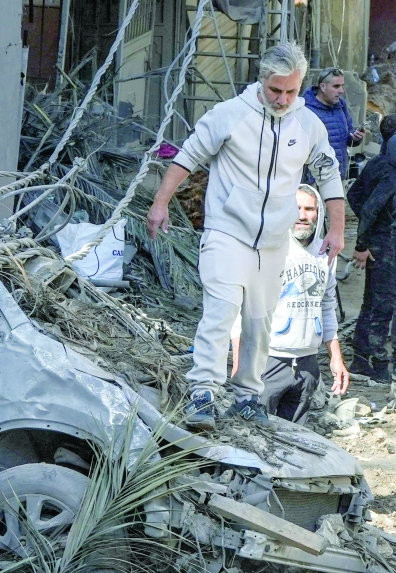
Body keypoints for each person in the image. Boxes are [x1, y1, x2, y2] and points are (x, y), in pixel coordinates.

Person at [147, 42, 346, 432]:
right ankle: (202, 389)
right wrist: (160, 203)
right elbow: (187, 156)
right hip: (227, 230)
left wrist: (336, 229)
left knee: (260, 320)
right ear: (261, 80)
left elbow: (329, 175)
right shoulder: (230, 115)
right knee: (221, 310)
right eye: (276, 90)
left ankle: (247, 396)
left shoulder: (308, 124)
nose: (283, 99)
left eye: (291, 91)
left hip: (274, 240)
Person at [229, 185, 349, 424]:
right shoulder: (267, 250)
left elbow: (327, 305)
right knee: (255, 437)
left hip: (307, 365)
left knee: (295, 438)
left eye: (309, 209)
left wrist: (336, 357)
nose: (302, 216)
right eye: (296, 209)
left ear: (319, 213)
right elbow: (240, 308)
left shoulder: (327, 254)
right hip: (267, 361)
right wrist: (239, 361)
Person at [347, 130, 396, 382]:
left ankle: (360, 358)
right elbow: (369, 207)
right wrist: (362, 243)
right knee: (383, 306)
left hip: (380, 240)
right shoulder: (391, 176)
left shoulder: (378, 163)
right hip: (385, 244)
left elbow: (354, 195)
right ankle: (379, 364)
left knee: (371, 301)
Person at [302, 68, 365, 178]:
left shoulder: (341, 105)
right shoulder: (306, 110)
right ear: (323, 87)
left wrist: (355, 138)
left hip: (339, 175)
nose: (341, 91)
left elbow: (348, 136)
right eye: (336, 86)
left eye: (342, 86)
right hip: (315, 180)